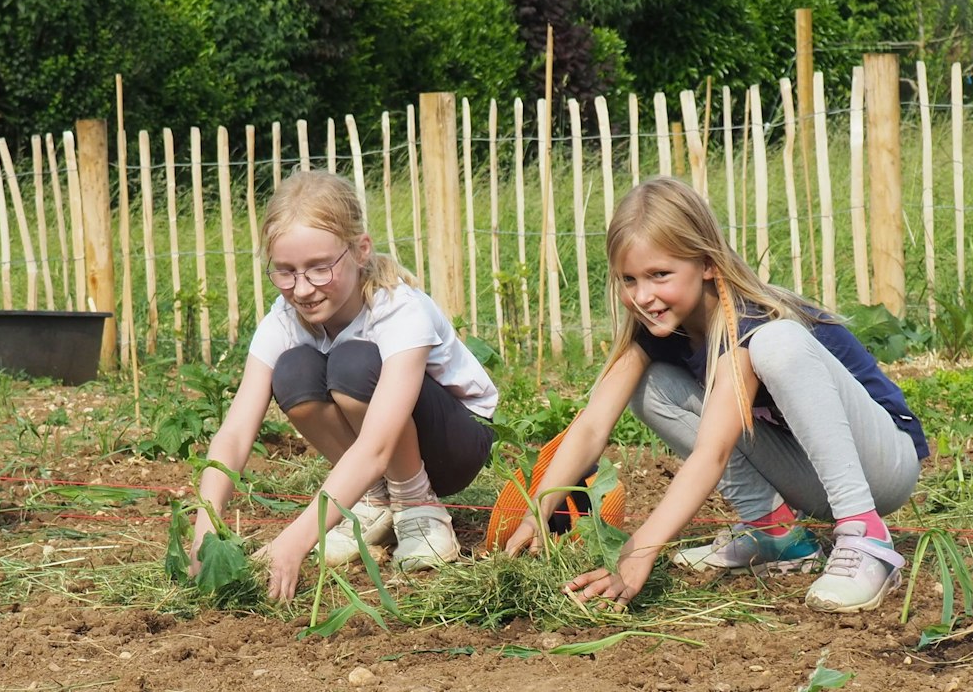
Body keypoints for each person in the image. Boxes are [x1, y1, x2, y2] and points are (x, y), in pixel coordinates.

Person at [501, 177, 928, 613]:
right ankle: (775, 535)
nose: (642, 296)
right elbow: (592, 425)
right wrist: (537, 510)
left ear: (707, 264)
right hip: (807, 472)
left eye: (659, 275)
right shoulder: (662, 329)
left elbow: (712, 453)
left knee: (776, 343)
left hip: (878, 467)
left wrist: (637, 551)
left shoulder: (748, 319)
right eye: (628, 280)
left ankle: (866, 537)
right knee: (649, 387)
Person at [192, 170, 498, 600]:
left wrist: (295, 540)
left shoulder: (397, 310)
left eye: (319, 269)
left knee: (354, 363)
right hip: (375, 453)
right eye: (285, 272)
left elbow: (375, 445)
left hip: (455, 444)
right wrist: (206, 526)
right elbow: (236, 432)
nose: (302, 289)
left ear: (359, 250)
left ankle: (419, 508)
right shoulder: (282, 321)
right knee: (293, 372)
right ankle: (373, 501)